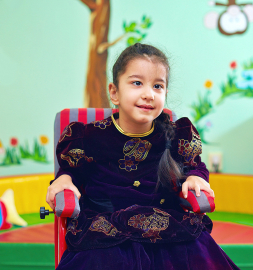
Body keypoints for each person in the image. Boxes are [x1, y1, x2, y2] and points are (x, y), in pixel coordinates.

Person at [46, 43, 240, 270]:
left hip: (167, 228)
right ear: (114, 92)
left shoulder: (176, 136)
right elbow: (73, 172)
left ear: (165, 93)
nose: (148, 94)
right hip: (107, 230)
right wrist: (65, 179)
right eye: (137, 83)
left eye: (157, 86)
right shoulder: (89, 137)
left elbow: (193, 166)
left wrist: (196, 177)